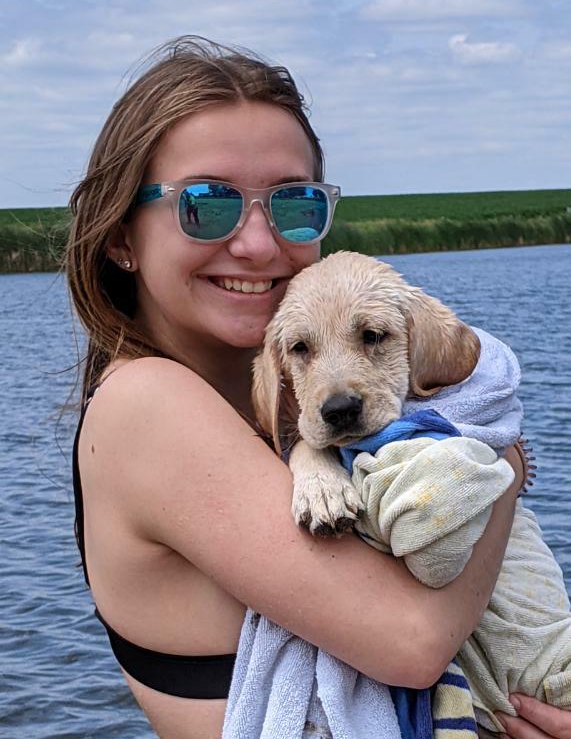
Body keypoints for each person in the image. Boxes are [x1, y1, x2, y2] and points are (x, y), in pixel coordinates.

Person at [65, 36, 571, 739]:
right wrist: (504, 461)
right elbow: (412, 640)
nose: (257, 242)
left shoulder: (264, 407)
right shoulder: (144, 403)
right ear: (121, 237)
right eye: (206, 204)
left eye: (293, 202)